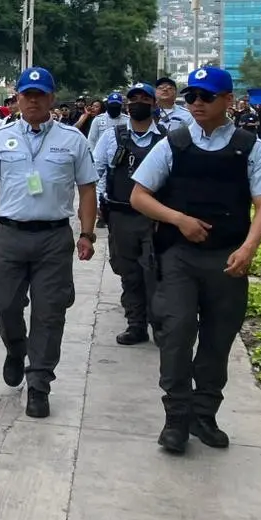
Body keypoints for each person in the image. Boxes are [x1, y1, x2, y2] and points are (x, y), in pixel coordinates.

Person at [129, 67, 261, 455]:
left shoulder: (250, 147)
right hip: (179, 257)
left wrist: (248, 249)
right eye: (191, 97)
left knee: (217, 341)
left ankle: (204, 414)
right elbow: (139, 196)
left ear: (228, 101)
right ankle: (176, 418)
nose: (196, 104)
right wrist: (178, 219)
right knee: (177, 335)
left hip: (228, 258)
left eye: (206, 97)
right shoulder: (174, 144)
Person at [0, 67, 97, 419]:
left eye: (39, 94)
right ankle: (16, 348)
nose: (32, 100)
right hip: (10, 235)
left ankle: (39, 382)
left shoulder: (73, 139)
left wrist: (87, 233)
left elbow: (88, 189)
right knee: (5, 303)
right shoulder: (1, 137)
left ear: (51, 98)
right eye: (26, 94)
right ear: (16, 97)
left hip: (54, 238)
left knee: (49, 312)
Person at [94, 83, 166, 345]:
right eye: (133, 98)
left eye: (144, 98)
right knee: (130, 274)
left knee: (155, 272)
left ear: (154, 104)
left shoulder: (167, 138)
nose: (138, 103)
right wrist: (101, 204)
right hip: (121, 215)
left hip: (156, 219)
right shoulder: (113, 136)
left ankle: (159, 326)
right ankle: (136, 325)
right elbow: (97, 170)